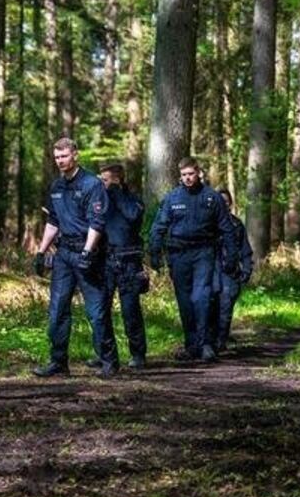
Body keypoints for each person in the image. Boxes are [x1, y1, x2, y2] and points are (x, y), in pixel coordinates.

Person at [31, 138, 116, 377]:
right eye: (57, 157)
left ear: (75, 155)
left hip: (88, 253)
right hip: (63, 255)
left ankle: (108, 360)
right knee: (58, 310)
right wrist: (40, 252)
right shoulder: (57, 186)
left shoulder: (92, 184)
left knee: (96, 311)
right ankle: (58, 362)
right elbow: (53, 222)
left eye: (64, 156)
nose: (60, 161)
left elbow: (97, 223)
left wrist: (88, 252)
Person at [147, 156, 237, 363]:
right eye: (184, 175)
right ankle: (191, 344)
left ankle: (205, 344)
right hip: (178, 254)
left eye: (191, 174)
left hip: (204, 252)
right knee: (185, 301)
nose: (188, 178)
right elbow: (159, 226)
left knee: (201, 297)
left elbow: (227, 228)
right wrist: (154, 252)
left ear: (199, 173)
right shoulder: (172, 198)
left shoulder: (212, 198)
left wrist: (231, 256)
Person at [96, 163, 148, 369]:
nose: (102, 183)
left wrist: (116, 192)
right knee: (101, 309)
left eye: (105, 180)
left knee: (130, 310)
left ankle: (138, 354)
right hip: (105, 261)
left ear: (117, 180)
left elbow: (133, 216)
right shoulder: (100, 201)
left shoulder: (133, 200)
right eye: (101, 179)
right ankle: (104, 354)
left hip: (129, 261)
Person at [211, 188, 253, 352]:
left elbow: (245, 250)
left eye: (226, 202)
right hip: (211, 270)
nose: (224, 205)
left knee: (226, 306)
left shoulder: (237, 224)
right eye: (220, 202)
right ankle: (207, 341)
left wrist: (246, 270)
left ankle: (220, 341)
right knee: (209, 306)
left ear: (231, 204)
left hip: (230, 272)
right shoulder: (207, 224)